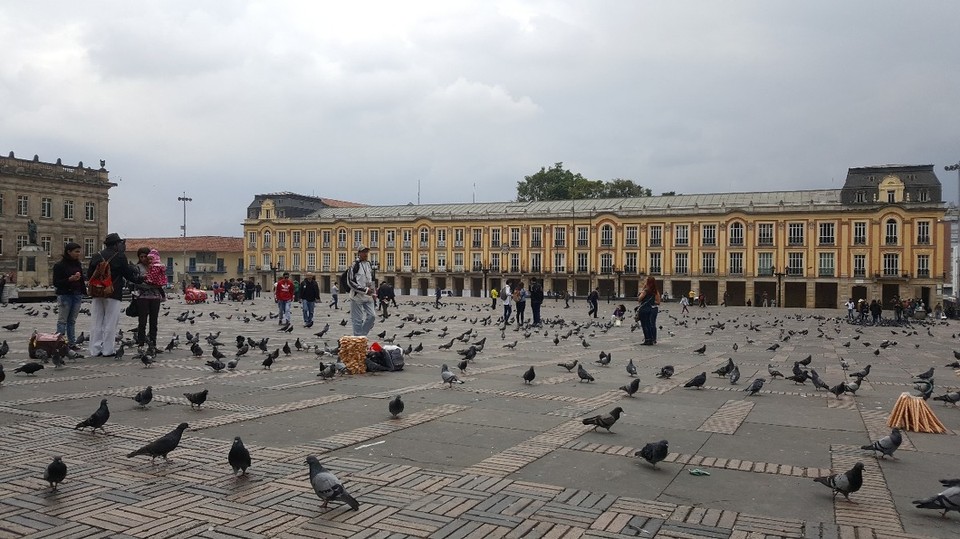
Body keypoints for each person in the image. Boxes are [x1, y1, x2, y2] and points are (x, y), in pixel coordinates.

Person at [87, 233, 141, 357]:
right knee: (110, 322)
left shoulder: (96, 255)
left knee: (96, 321)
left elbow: (90, 274)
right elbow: (127, 274)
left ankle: (95, 350)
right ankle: (107, 350)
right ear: (117, 244)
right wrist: (139, 280)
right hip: (113, 292)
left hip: (97, 292)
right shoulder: (120, 256)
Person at [52, 242, 85, 349]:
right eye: (76, 251)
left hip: (77, 294)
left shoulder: (78, 264)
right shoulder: (59, 265)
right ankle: (60, 344)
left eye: (79, 251)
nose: (78, 254)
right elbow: (56, 282)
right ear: (68, 252)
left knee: (72, 321)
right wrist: (69, 279)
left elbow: (82, 280)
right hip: (65, 295)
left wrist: (83, 289)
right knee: (62, 321)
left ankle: (71, 343)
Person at [132, 247, 167, 351]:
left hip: (155, 297)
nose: (143, 258)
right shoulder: (137, 267)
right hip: (143, 297)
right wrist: (150, 284)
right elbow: (136, 282)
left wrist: (154, 283)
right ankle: (141, 345)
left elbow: (161, 280)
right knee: (142, 322)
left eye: (145, 256)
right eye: (141, 256)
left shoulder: (156, 266)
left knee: (154, 322)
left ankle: (153, 345)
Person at [347, 245, 377, 336]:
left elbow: (371, 280)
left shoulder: (368, 264)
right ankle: (358, 339)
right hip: (357, 297)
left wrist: (373, 292)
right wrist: (364, 290)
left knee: (372, 316)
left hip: (368, 296)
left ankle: (361, 336)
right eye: (363, 252)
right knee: (357, 320)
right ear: (359, 253)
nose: (365, 254)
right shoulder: (354, 265)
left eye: (366, 252)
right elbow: (350, 282)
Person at [637, 276, 661, 345]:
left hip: (644, 309)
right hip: (650, 309)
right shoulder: (654, 291)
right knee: (649, 324)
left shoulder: (646, 291)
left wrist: (643, 290)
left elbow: (639, 299)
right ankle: (651, 339)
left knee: (645, 325)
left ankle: (647, 339)